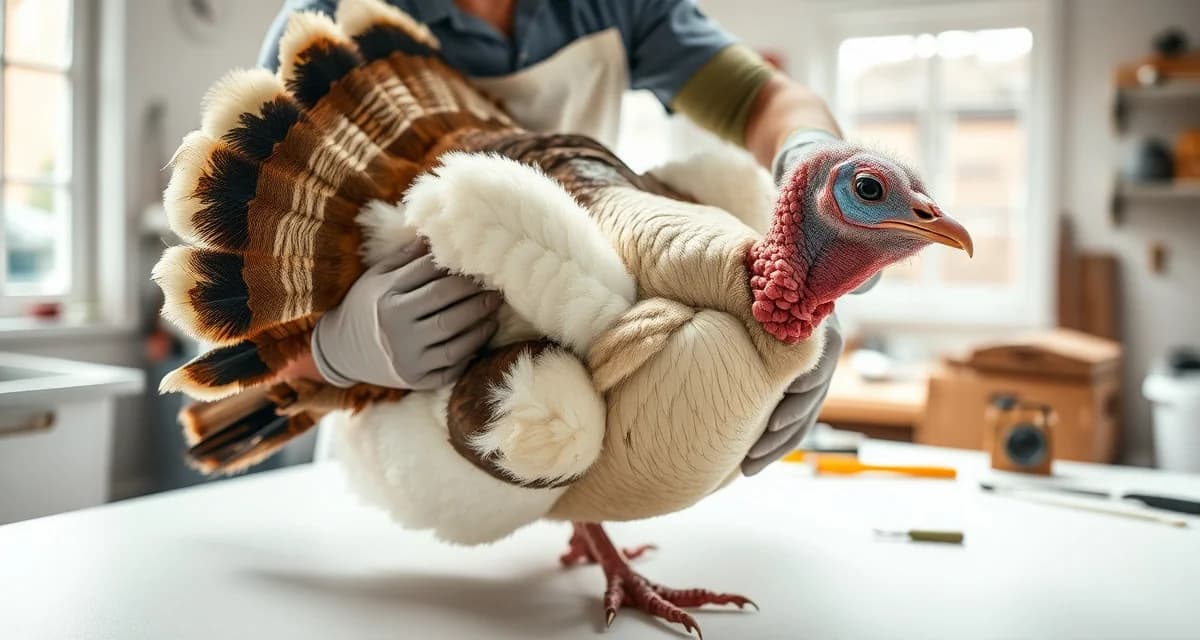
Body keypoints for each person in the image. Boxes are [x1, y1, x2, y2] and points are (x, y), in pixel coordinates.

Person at [259, 0, 849, 475]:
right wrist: (338, 351)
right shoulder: (322, 23)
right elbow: (242, 321)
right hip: (395, 450)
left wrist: (818, 200)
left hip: (570, 405)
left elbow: (768, 100)